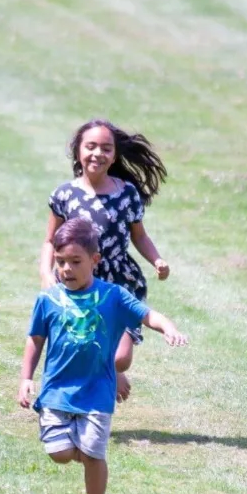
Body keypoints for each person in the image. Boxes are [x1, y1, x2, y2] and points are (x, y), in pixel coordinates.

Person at [19, 218, 187, 494]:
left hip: (97, 392)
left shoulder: (113, 296)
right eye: (60, 262)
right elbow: (35, 339)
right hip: (57, 390)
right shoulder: (48, 299)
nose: (66, 269)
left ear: (94, 260)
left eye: (75, 261)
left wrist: (168, 327)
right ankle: (82, 451)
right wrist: (26, 378)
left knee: (95, 455)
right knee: (58, 452)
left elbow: (148, 316)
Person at [40, 119, 170, 402]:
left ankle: (110, 371)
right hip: (82, 282)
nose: (98, 153)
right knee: (85, 343)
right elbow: (51, 240)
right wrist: (45, 272)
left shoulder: (126, 194)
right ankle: (86, 398)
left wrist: (157, 260)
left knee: (121, 358)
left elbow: (139, 236)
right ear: (78, 152)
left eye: (106, 148)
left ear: (114, 156)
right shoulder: (64, 195)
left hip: (122, 282)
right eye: (90, 147)